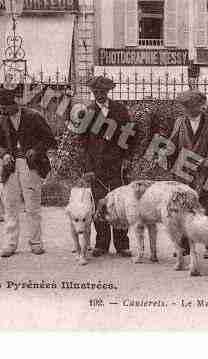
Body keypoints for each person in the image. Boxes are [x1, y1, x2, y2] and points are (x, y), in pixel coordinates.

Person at [168, 90, 208, 259]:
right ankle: (184, 246)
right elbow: (172, 144)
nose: (189, 110)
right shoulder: (179, 122)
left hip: (207, 173)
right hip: (185, 174)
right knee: (183, 209)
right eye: (186, 107)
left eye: (192, 106)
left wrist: (205, 160)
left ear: (200, 105)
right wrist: (167, 156)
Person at [0, 88, 57, 257]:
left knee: (32, 206)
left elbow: (50, 139)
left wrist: (36, 150)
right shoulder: (1, 120)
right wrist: (4, 154)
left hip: (32, 166)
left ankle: (36, 243)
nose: (3, 111)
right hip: (10, 168)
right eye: (1, 108)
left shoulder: (33, 116)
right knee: (10, 206)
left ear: (14, 103)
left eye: (5, 107)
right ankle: (10, 243)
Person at [83, 76, 134, 258]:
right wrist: (88, 168)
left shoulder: (120, 110)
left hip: (117, 165)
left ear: (108, 91)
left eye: (102, 92)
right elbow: (83, 143)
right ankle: (102, 244)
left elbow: (129, 135)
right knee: (100, 203)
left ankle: (122, 245)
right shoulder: (87, 112)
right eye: (96, 92)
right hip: (96, 167)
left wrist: (127, 158)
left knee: (119, 204)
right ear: (92, 92)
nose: (99, 95)